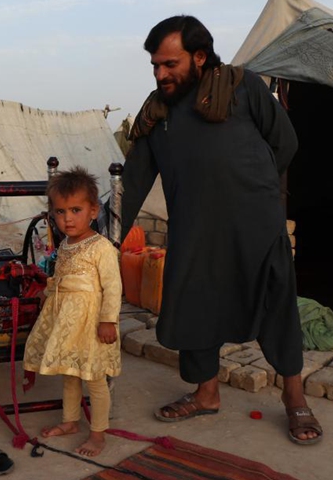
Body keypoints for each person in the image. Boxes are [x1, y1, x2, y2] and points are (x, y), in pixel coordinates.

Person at [121, 15, 322, 445]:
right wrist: (105, 233)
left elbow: (284, 142)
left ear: (198, 57)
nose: (160, 74)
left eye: (169, 64)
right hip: (195, 232)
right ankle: (206, 394)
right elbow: (135, 177)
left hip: (256, 227)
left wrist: (256, 189)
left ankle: (294, 397)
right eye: (155, 65)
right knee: (195, 306)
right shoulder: (157, 111)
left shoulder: (243, 86)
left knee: (277, 304)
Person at [22, 166, 122, 457]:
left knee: (95, 380)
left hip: (92, 325)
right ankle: (70, 421)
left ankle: (98, 434)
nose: (67, 218)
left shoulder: (101, 247)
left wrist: (107, 321)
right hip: (69, 323)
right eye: (61, 212)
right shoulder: (65, 245)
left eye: (76, 210)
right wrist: (48, 293)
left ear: (93, 211)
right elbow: (61, 276)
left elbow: (113, 287)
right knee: (70, 374)